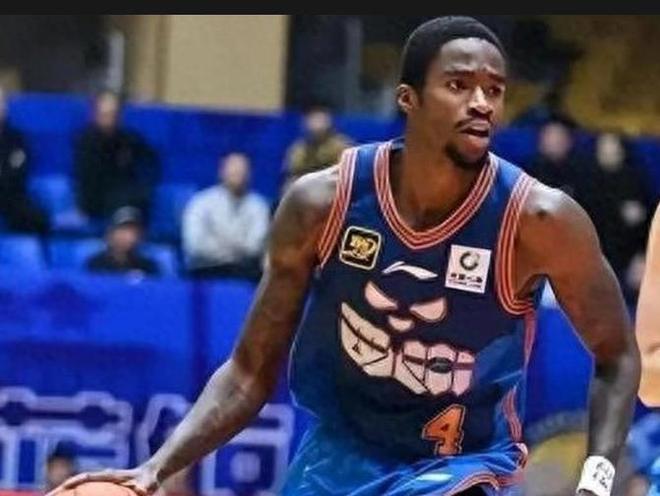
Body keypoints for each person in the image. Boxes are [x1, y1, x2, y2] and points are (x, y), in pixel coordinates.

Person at [53, 17, 640, 496]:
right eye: (459, 85)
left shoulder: (538, 219)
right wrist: (154, 469)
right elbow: (248, 372)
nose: (482, 102)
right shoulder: (324, 203)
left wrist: (596, 483)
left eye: (494, 89)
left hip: (461, 466)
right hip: (338, 458)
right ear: (408, 99)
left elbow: (616, 355)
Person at [578, 132, 651, 302]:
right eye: (604, 150)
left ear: (622, 152)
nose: (609, 154)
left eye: (614, 149)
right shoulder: (586, 184)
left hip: (630, 258)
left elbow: (647, 226)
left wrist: (643, 256)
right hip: (593, 256)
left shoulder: (635, 182)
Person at [182, 153, 269, 281]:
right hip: (205, 270)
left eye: (242, 170)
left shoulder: (259, 205)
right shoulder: (201, 202)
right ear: (221, 172)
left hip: (244, 273)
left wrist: (221, 244)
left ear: (250, 174)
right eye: (233, 170)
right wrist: (232, 251)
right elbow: (195, 245)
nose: (238, 174)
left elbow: (254, 246)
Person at [74, 91, 159, 220]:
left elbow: (149, 159)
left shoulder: (128, 139)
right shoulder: (85, 141)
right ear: (96, 114)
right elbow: (89, 180)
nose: (110, 120)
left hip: (125, 197)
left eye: (114, 114)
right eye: (105, 114)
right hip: (96, 200)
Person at [0, 87, 49, 233]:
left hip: (10, 196)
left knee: (39, 219)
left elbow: (18, 168)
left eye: (1, 104)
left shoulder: (16, 138)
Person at [86, 206, 159, 276]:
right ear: (110, 234)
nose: (128, 236)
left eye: (133, 232)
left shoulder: (147, 267)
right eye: (123, 230)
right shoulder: (96, 265)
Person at [285, 105, 351, 179]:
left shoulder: (341, 146)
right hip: (307, 183)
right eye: (313, 120)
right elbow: (292, 174)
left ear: (328, 122)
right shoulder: (299, 149)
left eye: (320, 120)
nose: (317, 124)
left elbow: (346, 173)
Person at [526, 117, 583, 198]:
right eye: (549, 136)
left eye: (559, 136)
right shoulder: (529, 171)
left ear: (569, 141)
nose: (554, 140)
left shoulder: (584, 170)